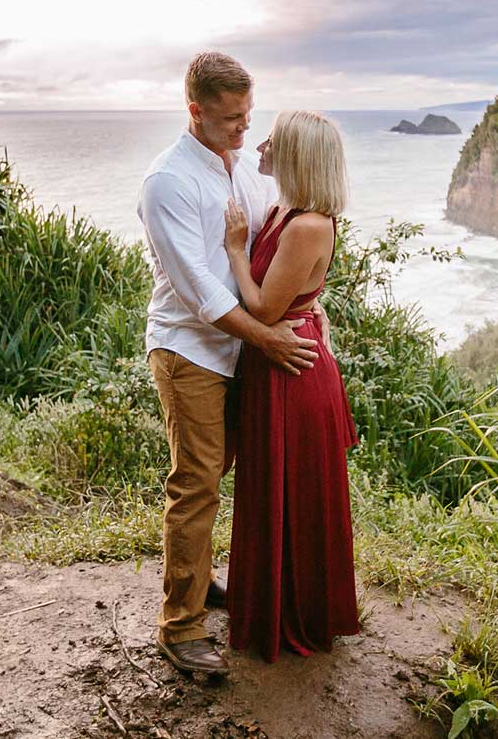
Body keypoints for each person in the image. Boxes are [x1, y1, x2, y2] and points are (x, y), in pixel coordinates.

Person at [138, 52, 325, 677]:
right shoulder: (169, 183)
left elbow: (294, 236)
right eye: (231, 120)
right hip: (191, 349)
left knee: (227, 471)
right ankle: (180, 628)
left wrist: (310, 304)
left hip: (243, 352)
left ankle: (202, 582)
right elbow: (202, 292)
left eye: (249, 116)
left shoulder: (245, 170)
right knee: (197, 483)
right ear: (196, 112)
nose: (245, 130)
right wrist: (271, 340)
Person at [222, 109, 361, 661]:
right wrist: (311, 302)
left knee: (294, 493)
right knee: (271, 489)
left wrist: (235, 249)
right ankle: (270, 603)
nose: (260, 145)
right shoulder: (285, 208)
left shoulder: (308, 224)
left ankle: (295, 614)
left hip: (291, 372)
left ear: (297, 155)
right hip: (275, 360)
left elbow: (262, 304)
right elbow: (294, 289)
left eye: (272, 141)